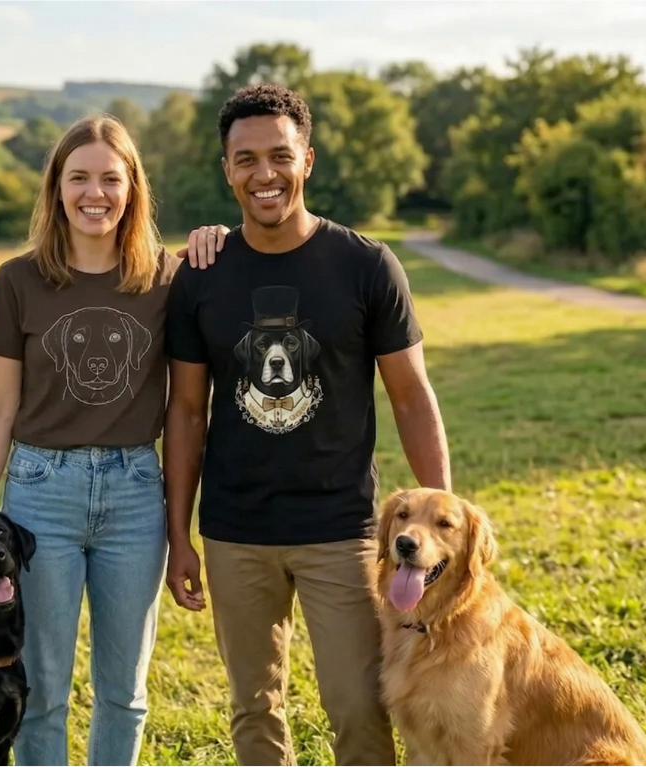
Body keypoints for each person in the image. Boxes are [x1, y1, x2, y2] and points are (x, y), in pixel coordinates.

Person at [163, 84, 452, 766]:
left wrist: (445, 523)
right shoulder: (200, 274)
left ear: (307, 160)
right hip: (235, 529)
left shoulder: (365, 265)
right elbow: (184, 410)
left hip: (340, 528)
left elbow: (410, 395)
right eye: (245, 159)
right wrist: (178, 533)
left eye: (278, 155)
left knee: (356, 704)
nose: (263, 174)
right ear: (226, 168)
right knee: (252, 706)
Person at [0, 114, 223, 766]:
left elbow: (192, 396)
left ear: (133, 188)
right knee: (42, 690)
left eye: (111, 178)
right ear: (56, 188)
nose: (94, 193)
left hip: (135, 493)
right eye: (77, 177)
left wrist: (222, 237)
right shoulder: (17, 280)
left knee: (124, 692)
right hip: (37, 495)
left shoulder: (168, 278)